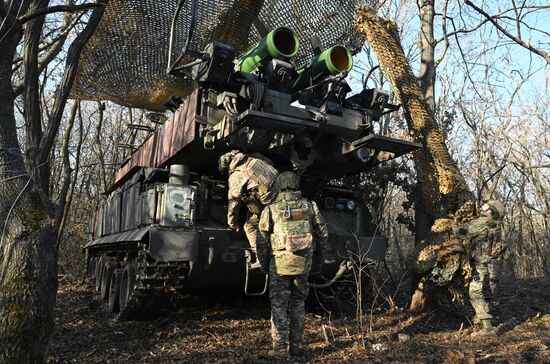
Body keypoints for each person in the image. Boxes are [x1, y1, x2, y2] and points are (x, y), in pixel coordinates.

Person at [256, 171, 328, 359]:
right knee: (297, 304)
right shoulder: (310, 207)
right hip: (303, 264)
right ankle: (295, 347)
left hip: (279, 265)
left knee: (279, 305)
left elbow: (262, 241)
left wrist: (264, 265)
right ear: (297, 186)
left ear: (279, 187)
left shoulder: (270, 210)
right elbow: (322, 235)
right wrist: (318, 262)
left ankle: (280, 350)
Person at [452, 199, 506, 337]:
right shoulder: (493, 224)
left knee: (475, 293)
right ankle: (478, 317)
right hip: (484, 263)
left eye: (487, 205)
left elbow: (462, 232)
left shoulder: (482, 223)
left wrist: (453, 223)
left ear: (490, 210)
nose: (483, 205)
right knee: (478, 290)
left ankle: (487, 327)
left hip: (479, 264)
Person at [218, 150, 279, 268]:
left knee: (250, 226)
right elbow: (271, 163)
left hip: (270, 204)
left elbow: (234, 202)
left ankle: (261, 259)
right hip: (283, 195)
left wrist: (232, 223)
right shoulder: (255, 158)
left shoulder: (236, 175)